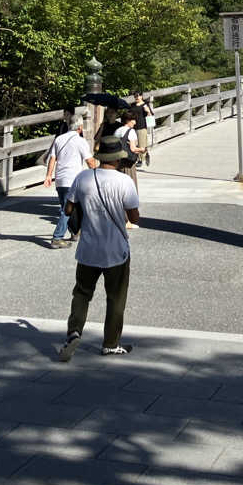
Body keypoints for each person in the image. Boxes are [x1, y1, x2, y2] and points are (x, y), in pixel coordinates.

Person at [58, 134, 140, 361]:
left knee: (82, 293)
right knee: (115, 297)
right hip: (116, 250)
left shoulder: (83, 178)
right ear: (118, 158)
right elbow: (135, 216)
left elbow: (67, 210)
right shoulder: (125, 182)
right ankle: (110, 343)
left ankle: (74, 331)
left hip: (88, 248)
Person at [44, 117, 97, 249]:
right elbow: (90, 161)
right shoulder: (80, 141)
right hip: (73, 179)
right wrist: (97, 174)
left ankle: (74, 233)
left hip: (60, 179)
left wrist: (49, 175)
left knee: (67, 208)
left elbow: (52, 159)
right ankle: (57, 237)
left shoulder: (59, 139)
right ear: (79, 128)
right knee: (69, 210)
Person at [114, 111, 146, 201]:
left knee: (120, 185)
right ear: (128, 120)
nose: (135, 122)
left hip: (118, 161)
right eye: (133, 120)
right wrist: (142, 149)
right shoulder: (131, 131)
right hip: (128, 162)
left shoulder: (117, 131)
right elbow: (133, 149)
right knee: (130, 184)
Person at [131, 92, 155, 167]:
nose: (137, 97)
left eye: (138, 96)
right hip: (133, 126)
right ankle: (144, 155)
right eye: (135, 96)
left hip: (142, 126)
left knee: (141, 144)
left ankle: (141, 159)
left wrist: (148, 111)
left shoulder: (145, 104)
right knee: (135, 144)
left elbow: (151, 115)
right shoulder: (132, 105)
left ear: (141, 96)